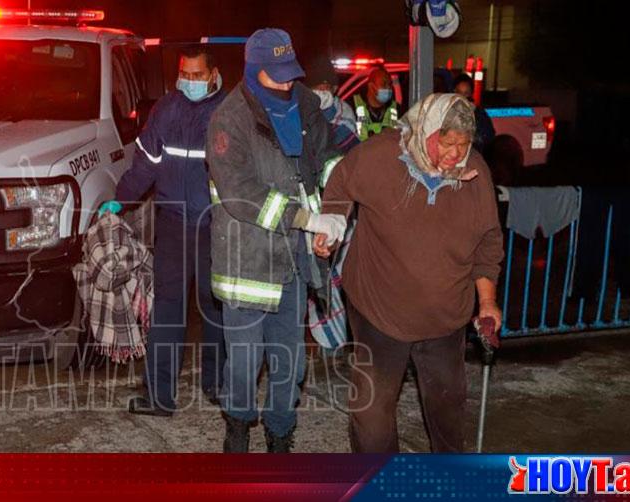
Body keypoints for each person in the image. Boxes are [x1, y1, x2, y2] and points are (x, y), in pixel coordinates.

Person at [317, 93, 504, 453]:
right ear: (426, 131)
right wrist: (332, 223)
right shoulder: (380, 157)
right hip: (379, 309)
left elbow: (488, 243)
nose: (455, 155)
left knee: (447, 405)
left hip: (445, 317)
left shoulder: (475, 175)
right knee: (373, 409)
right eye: (447, 143)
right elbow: (340, 184)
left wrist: (488, 302)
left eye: (463, 145)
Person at [205, 28, 347, 453]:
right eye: (276, 75)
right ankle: (238, 424)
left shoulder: (306, 106)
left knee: (290, 363)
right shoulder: (228, 120)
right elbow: (239, 193)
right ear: (253, 71)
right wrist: (306, 218)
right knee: (245, 363)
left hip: (294, 261)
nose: (287, 83)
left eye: (290, 73)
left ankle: (281, 433)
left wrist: (330, 219)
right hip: (247, 261)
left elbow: (328, 163)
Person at [106, 47, 226, 417]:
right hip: (173, 224)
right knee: (168, 310)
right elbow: (145, 168)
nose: (189, 82)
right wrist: (119, 201)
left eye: (196, 75)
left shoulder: (229, 113)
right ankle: (160, 397)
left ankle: (217, 385)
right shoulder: (165, 111)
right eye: (183, 75)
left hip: (214, 226)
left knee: (216, 308)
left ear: (213, 74)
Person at [305, 55, 360, 154]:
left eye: (325, 88)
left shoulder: (343, 110)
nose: (321, 92)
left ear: (334, 89)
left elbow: (349, 144)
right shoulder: (301, 107)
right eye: (317, 88)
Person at [353, 65, 399, 141]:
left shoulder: (397, 109)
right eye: (384, 84)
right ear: (371, 86)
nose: (388, 88)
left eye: (390, 84)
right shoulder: (353, 106)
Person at [453, 73, 496, 155]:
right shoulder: (446, 112)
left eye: (466, 93)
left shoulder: (479, 114)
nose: (462, 97)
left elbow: (488, 137)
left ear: (471, 93)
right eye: (459, 93)